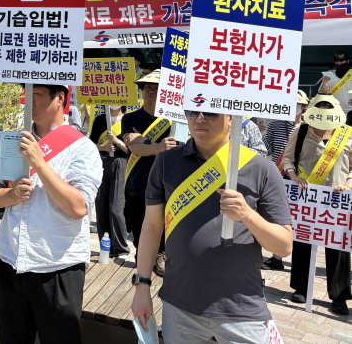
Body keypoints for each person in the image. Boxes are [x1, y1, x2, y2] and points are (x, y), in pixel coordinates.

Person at [131, 109, 293, 342]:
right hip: (179, 306)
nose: (199, 118)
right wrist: (142, 286)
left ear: (232, 118)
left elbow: (284, 246)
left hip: (241, 310)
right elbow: (152, 227)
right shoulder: (166, 161)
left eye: (210, 112)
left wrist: (247, 215)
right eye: (192, 111)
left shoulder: (261, 169)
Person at [0, 85, 101, 344]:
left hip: (57, 265)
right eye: (27, 95)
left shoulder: (82, 148)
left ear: (60, 99)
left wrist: (39, 163)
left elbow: (79, 207)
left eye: (37, 96)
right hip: (11, 261)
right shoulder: (13, 141)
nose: (28, 102)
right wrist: (10, 197)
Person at [283, 94, 352, 314]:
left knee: (338, 246)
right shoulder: (301, 131)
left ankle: (339, 296)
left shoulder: (347, 134)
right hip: (307, 196)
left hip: (338, 199)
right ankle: (301, 287)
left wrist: (349, 183)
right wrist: (293, 176)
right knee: (303, 239)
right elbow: (287, 158)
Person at [121, 70, 177, 276]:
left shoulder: (174, 119)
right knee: (138, 225)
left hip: (166, 183)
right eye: (147, 87)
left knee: (163, 226)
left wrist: (145, 143)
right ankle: (143, 258)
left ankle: (160, 255)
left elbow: (177, 147)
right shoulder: (130, 117)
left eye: (155, 87)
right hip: (137, 181)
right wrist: (158, 147)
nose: (150, 91)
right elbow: (133, 147)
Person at [261, 90, 309, 271]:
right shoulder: (275, 125)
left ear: (304, 108)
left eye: (298, 105)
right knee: (279, 216)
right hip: (279, 176)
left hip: (302, 179)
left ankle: (299, 260)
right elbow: (265, 148)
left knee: (300, 218)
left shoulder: (308, 127)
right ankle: (276, 257)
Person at [89, 105, 130, 255]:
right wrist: (103, 147)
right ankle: (106, 247)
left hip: (120, 163)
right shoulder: (100, 120)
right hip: (101, 162)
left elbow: (132, 150)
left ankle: (121, 248)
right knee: (101, 205)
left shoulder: (128, 120)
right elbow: (90, 144)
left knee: (116, 207)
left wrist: (117, 142)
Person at [320, 52, 352, 125]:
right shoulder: (330, 74)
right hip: (333, 111)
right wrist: (324, 83)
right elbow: (324, 92)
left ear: (347, 61)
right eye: (337, 63)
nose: (340, 64)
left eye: (342, 62)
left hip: (350, 111)